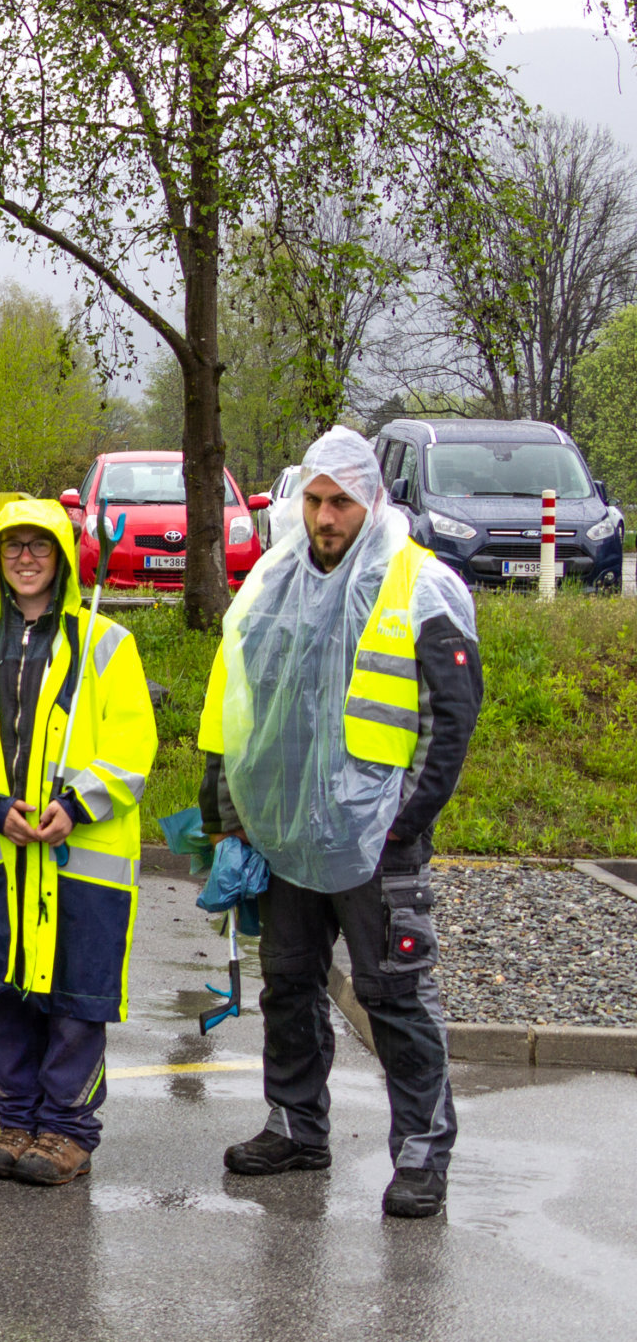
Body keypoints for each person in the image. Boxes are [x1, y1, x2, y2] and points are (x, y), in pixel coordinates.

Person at [199, 428, 482, 1220]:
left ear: (371, 501)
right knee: (287, 986)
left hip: (375, 840)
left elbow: (449, 721)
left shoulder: (422, 584)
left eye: (341, 502)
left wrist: (404, 823)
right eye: (316, 501)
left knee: (394, 996)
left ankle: (422, 1153)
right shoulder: (271, 580)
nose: (326, 517)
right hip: (286, 832)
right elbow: (235, 703)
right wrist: (230, 811)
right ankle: (295, 1125)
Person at [0, 502, 158, 1185]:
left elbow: (132, 746)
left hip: (79, 859)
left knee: (75, 999)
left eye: (40, 546)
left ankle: (67, 1130)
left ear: (60, 558)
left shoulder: (105, 644)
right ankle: (18, 1120)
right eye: (13, 546)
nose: (26, 558)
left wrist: (77, 803)